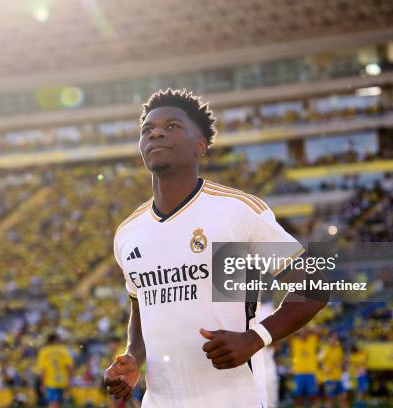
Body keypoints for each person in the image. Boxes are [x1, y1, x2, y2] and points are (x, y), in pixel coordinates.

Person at [104, 89, 328, 407]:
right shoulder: (128, 232)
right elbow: (142, 310)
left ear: (200, 145)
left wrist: (255, 338)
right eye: (147, 130)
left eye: (172, 126)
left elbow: (314, 286)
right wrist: (133, 357)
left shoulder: (235, 211)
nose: (155, 132)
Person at [37, 333, 74, 408]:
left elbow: (42, 370)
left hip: (50, 382)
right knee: (59, 403)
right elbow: (70, 367)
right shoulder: (63, 351)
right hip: (62, 381)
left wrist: (42, 383)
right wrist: (69, 380)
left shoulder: (44, 352)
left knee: (53, 403)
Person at [290, 328, 319, 407]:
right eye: (301, 333)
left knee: (313, 396)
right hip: (298, 374)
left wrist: (307, 329)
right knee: (298, 397)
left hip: (311, 373)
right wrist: (299, 330)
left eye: (305, 333)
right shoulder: (295, 341)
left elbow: (319, 332)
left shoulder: (312, 340)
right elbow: (288, 334)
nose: (303, 334)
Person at [320, 334, 347, 408]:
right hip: (329, 379)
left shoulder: (339, 349)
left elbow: (342, 361)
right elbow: (319, 362)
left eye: (335, 339)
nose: (334, 341)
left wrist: (343, 364)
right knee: (330, 399)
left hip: (338, 378)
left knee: (343, 398)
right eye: (332, 339)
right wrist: (325, 369)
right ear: (328, 340)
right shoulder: (324, 349)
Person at [349, 343, 369, 408]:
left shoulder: (363, 353)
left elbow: (367, 353)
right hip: (358, 375)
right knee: (359, 390)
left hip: (363, 374)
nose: (359, 348)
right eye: (357, 347)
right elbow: (355, 366)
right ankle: (358, 405)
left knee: (363, 390)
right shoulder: (353, 357)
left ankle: (361, 403)